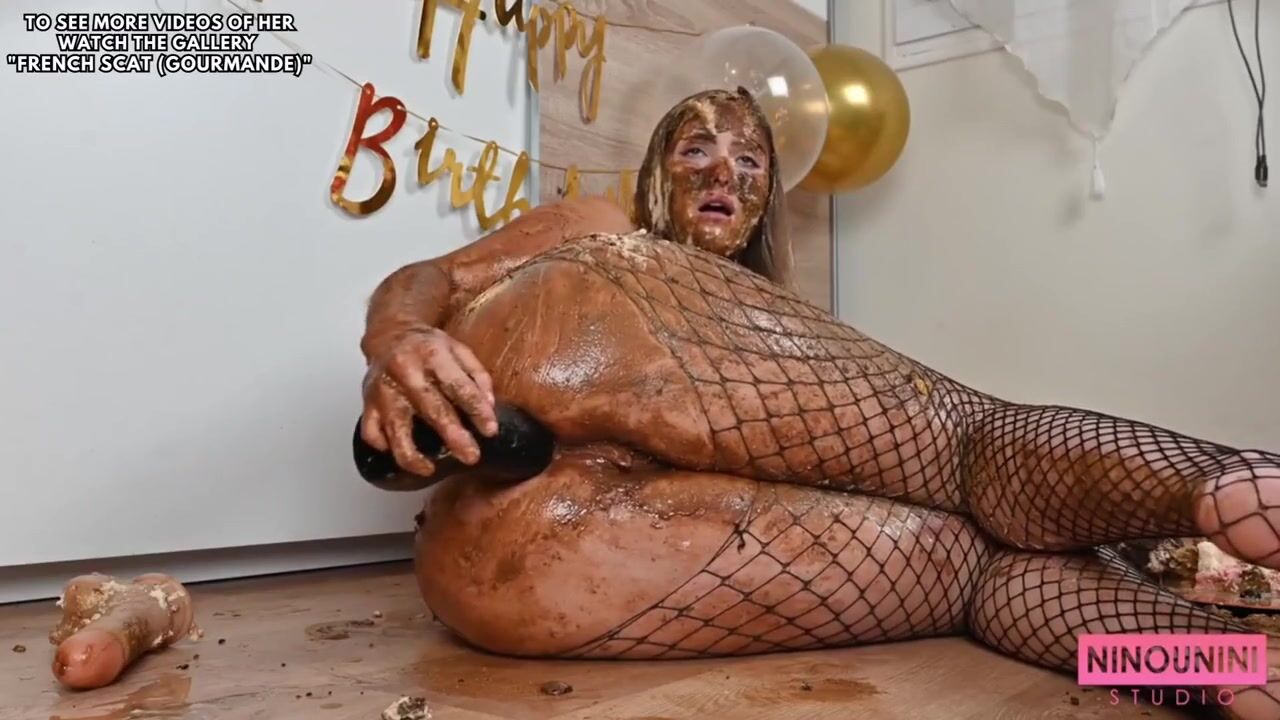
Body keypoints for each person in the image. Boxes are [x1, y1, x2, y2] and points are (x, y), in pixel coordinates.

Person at [358, 88, 1280, 718]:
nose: (724, 174)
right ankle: (1238, 492)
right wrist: (397, 339)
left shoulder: (786, 324)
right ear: (655, 173)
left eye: (751, 161)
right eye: (695, 150)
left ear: (768, 199)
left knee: (974, 573)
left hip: (508, 584)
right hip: (569, 345)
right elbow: (434, 277)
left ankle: (1238, 672)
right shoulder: (602, 227)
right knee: (968, 449)